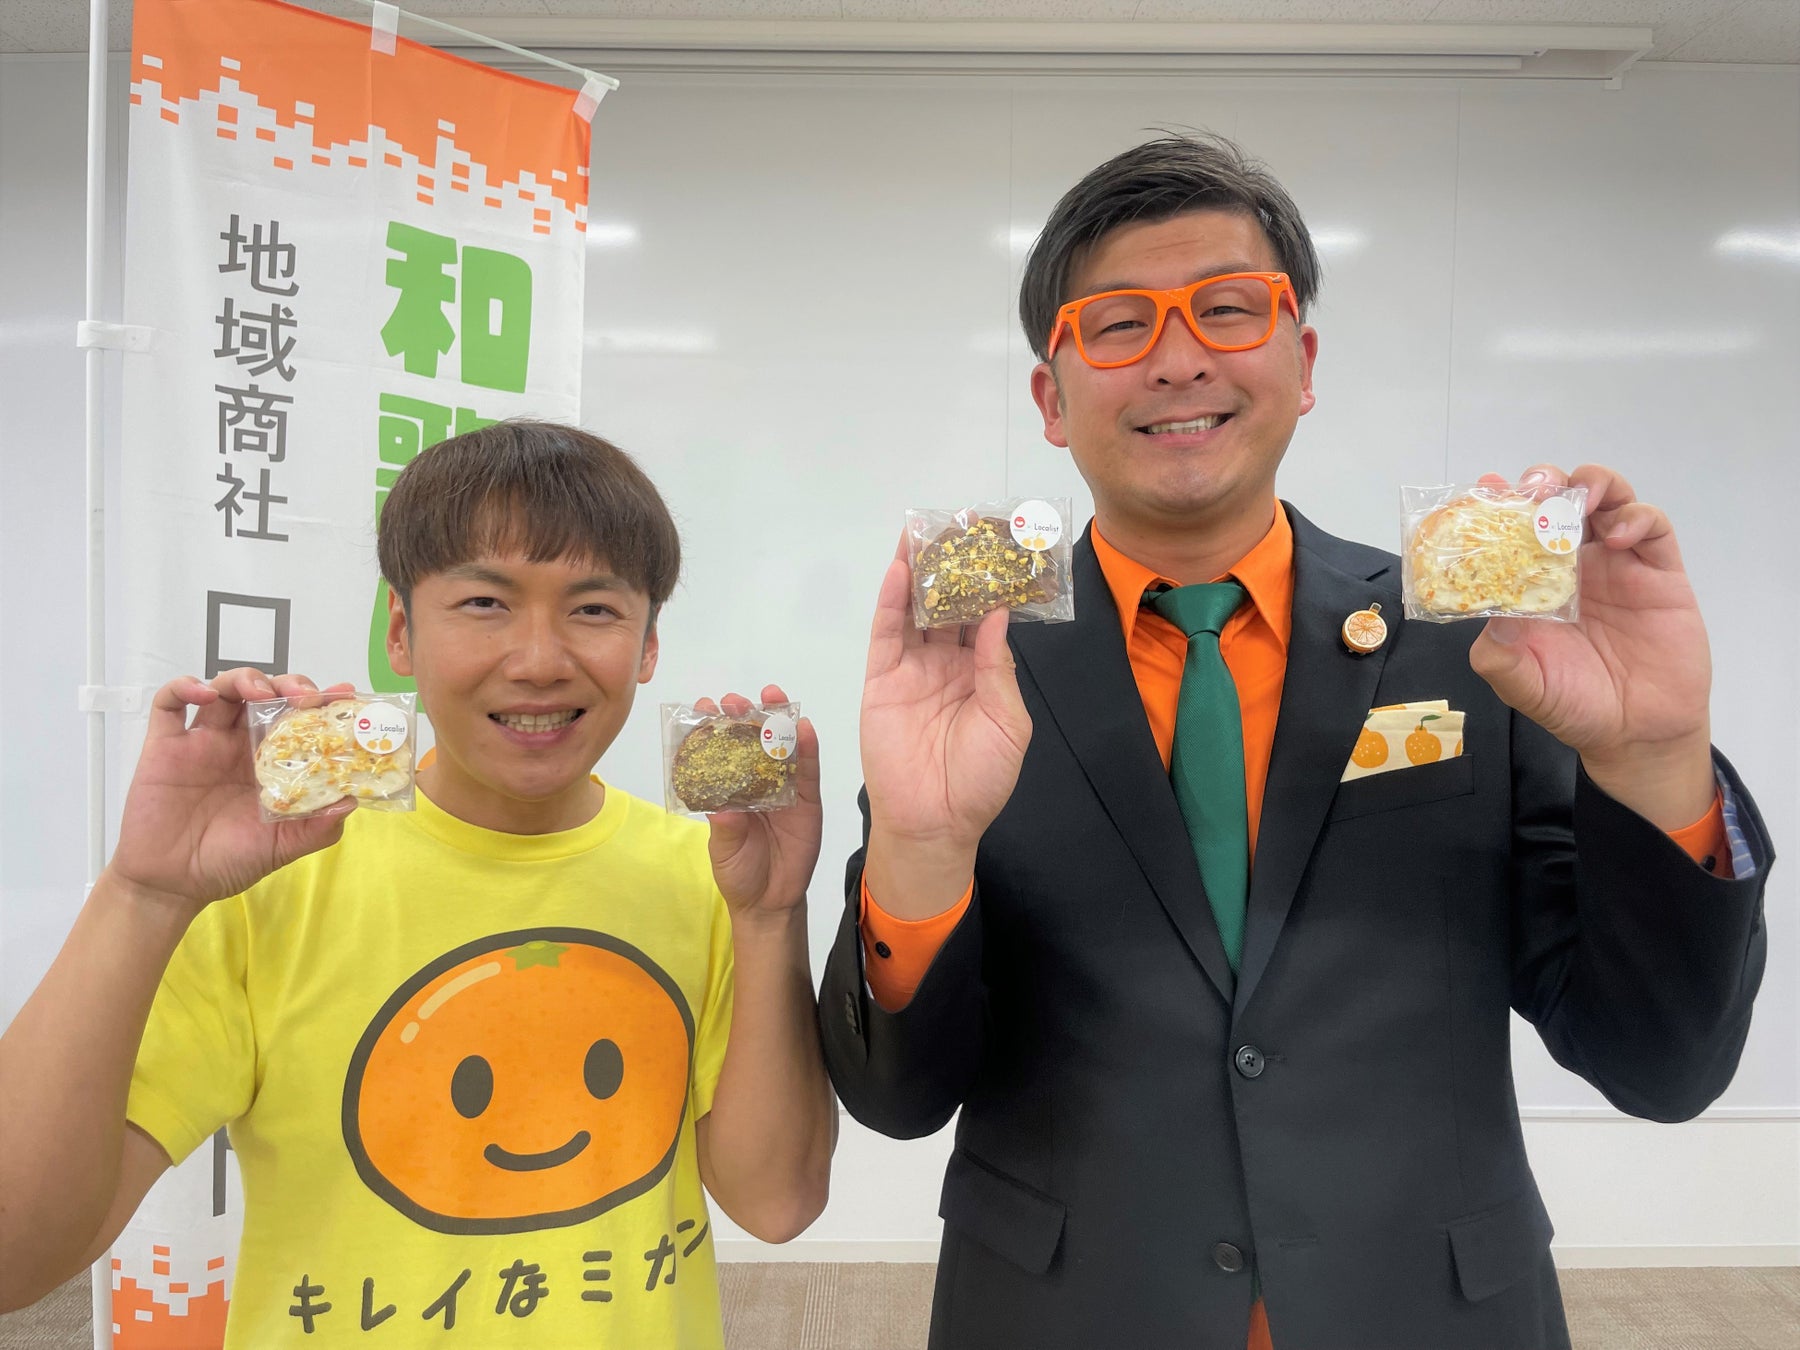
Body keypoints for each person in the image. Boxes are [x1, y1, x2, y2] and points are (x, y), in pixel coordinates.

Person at [819, 134, 1772, 1350]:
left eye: (1227, 309)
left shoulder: (1475, 649)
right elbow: (899, 1100)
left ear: (1302, 361)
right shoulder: (971, 672)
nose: (1178, 360)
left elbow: (1664, 1066)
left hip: (1427, 1316)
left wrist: (1655, 761)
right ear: (1051, 400)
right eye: (1118, 325)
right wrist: (918, 847)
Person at [0, 421, 836, 1348]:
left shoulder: (707, 876)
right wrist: (145, 894)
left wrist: (772, 917)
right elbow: (15, 1261)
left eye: (594, 609)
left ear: (647, 647)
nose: (539, 659)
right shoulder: (274, 881)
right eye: (484, 603)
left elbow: (776, 1204)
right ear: (401, 632)